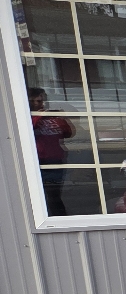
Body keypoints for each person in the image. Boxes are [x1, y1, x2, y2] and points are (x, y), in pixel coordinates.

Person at [29, 86, 76, 216]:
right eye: (35, 101)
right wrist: (38, 117)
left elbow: (68, 133)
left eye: (41, 101)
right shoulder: (27, 117)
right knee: (39, 194)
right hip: (38, 160)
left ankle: (59, 216)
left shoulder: (51, 117)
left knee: (54, 193)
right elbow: (26, 130)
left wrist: (61, 118)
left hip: (56, 159)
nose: (40, 104)